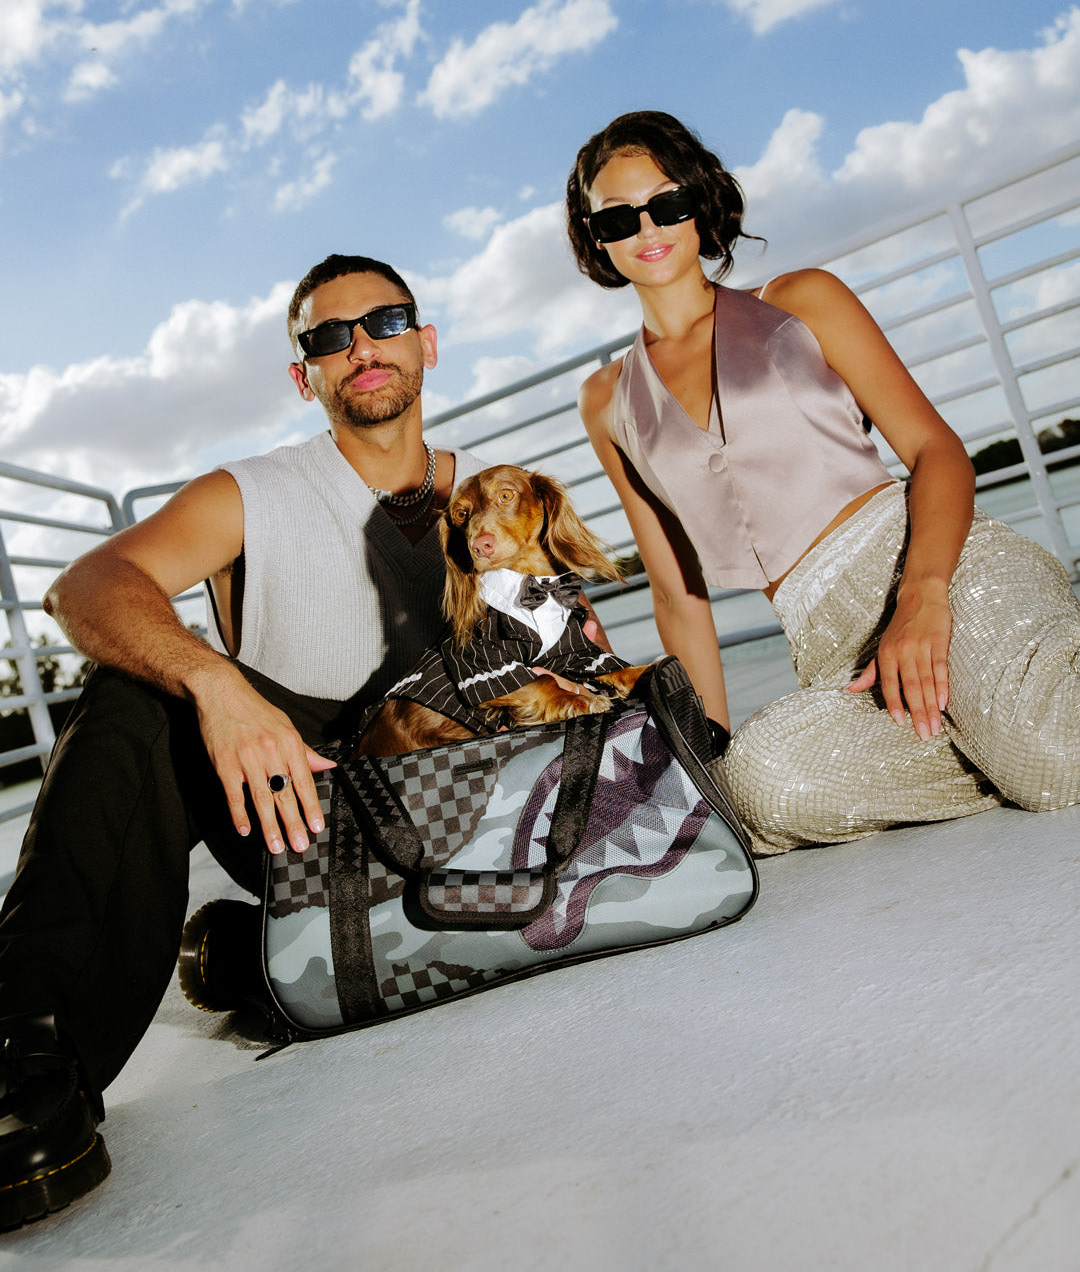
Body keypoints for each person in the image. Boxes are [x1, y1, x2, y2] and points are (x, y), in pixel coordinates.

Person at [0, 254, 493, 1228]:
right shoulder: (249, 494)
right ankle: (24, 1055)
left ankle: (257, 953)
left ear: (427, 342)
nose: (361, 346)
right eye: (329, 337)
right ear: (304, 375)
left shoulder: (494, 496)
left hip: (463, 824)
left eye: (385, 321)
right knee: (137, 692)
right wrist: (214, 681)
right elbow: (85, 588)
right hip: (301, 813)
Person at [569, 110, 1080, 857]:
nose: (647, 227)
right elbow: (678, 594)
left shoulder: (799, 301)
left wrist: (922, 595)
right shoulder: (606, 401)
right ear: (596, 237)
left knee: (1055, 760)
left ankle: (1014, 724)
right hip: (831, 653)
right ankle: (997, 734)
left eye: (667, 202)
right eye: (618, 216)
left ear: (698, 202)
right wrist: (709, 759)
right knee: (762, 784)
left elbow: (936, 450)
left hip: (941, 573)